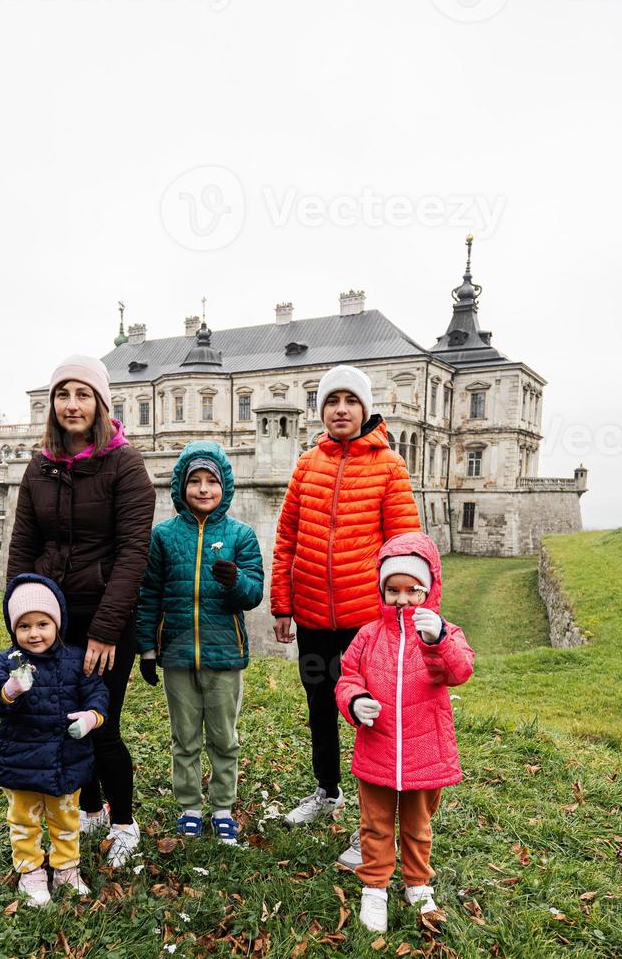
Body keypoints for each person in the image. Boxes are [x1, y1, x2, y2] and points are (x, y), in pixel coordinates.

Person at [6, 355, 156, 868]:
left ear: (100, 403)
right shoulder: (40, 465)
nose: (72, 405)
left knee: (101, 721)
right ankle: (89, 807)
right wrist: (19, 617)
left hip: (106, 616)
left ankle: (123, 821)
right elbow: (23, 543)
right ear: (53, 404)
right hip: (52, 614)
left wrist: (107, 630)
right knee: (60, 718)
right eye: (63, 394)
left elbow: (134, 551)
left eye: (83, 394)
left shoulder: (125, 464)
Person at [270, 363, 422, 870]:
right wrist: (282, 604)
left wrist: (406, 611)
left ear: (364, 408)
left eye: (350, 401)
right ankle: (327, 789)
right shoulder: (307, 465)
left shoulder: (389, 467)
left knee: (369, 717)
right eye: (332, 401)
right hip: (313, 616)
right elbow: (287, 538)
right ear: (322, 410)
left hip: (367, 622)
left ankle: (370, 825)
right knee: (320, 705)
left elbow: (405, 546)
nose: (341, 409)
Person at [334, 533, 473, 933]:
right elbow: (347, 677)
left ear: (429, 590)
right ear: (381, 590)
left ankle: (417, 881)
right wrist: (356, 701)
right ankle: (375, 887)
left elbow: (460, 671)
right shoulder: (368, 635)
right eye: (393, 590)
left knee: (418, 825)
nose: (403, 599)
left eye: (413, 590)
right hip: (377, 748)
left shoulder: (444, 632)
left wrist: (439, 641)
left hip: (425, 750)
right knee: (375, 824)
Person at [135, 442, 265, 844]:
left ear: (225, 485)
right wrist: (146, 648)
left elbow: (255, 592)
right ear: (181, 486)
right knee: (185, 736)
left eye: (212, 481)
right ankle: (190, 806)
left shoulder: (241, 535)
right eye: (195, 481)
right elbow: (149, 593)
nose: (204, 489)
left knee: (224, 737)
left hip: (224, 655)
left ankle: (222, 807)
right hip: (176, 655)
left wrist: (236, 582)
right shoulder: (164, 536)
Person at [0, 573, 110, 906]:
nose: (34, 633)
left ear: (58, 623)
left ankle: (66, 868)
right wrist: (8, 691)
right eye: (24, 626)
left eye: (42, 624)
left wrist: (93, 716)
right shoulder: (8, 662)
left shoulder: (77, 658)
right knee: (24, 820)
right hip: (20, 758)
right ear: (13, 629)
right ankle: (30, 871)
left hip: (67, 757)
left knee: (65, 819)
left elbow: (97, 692)